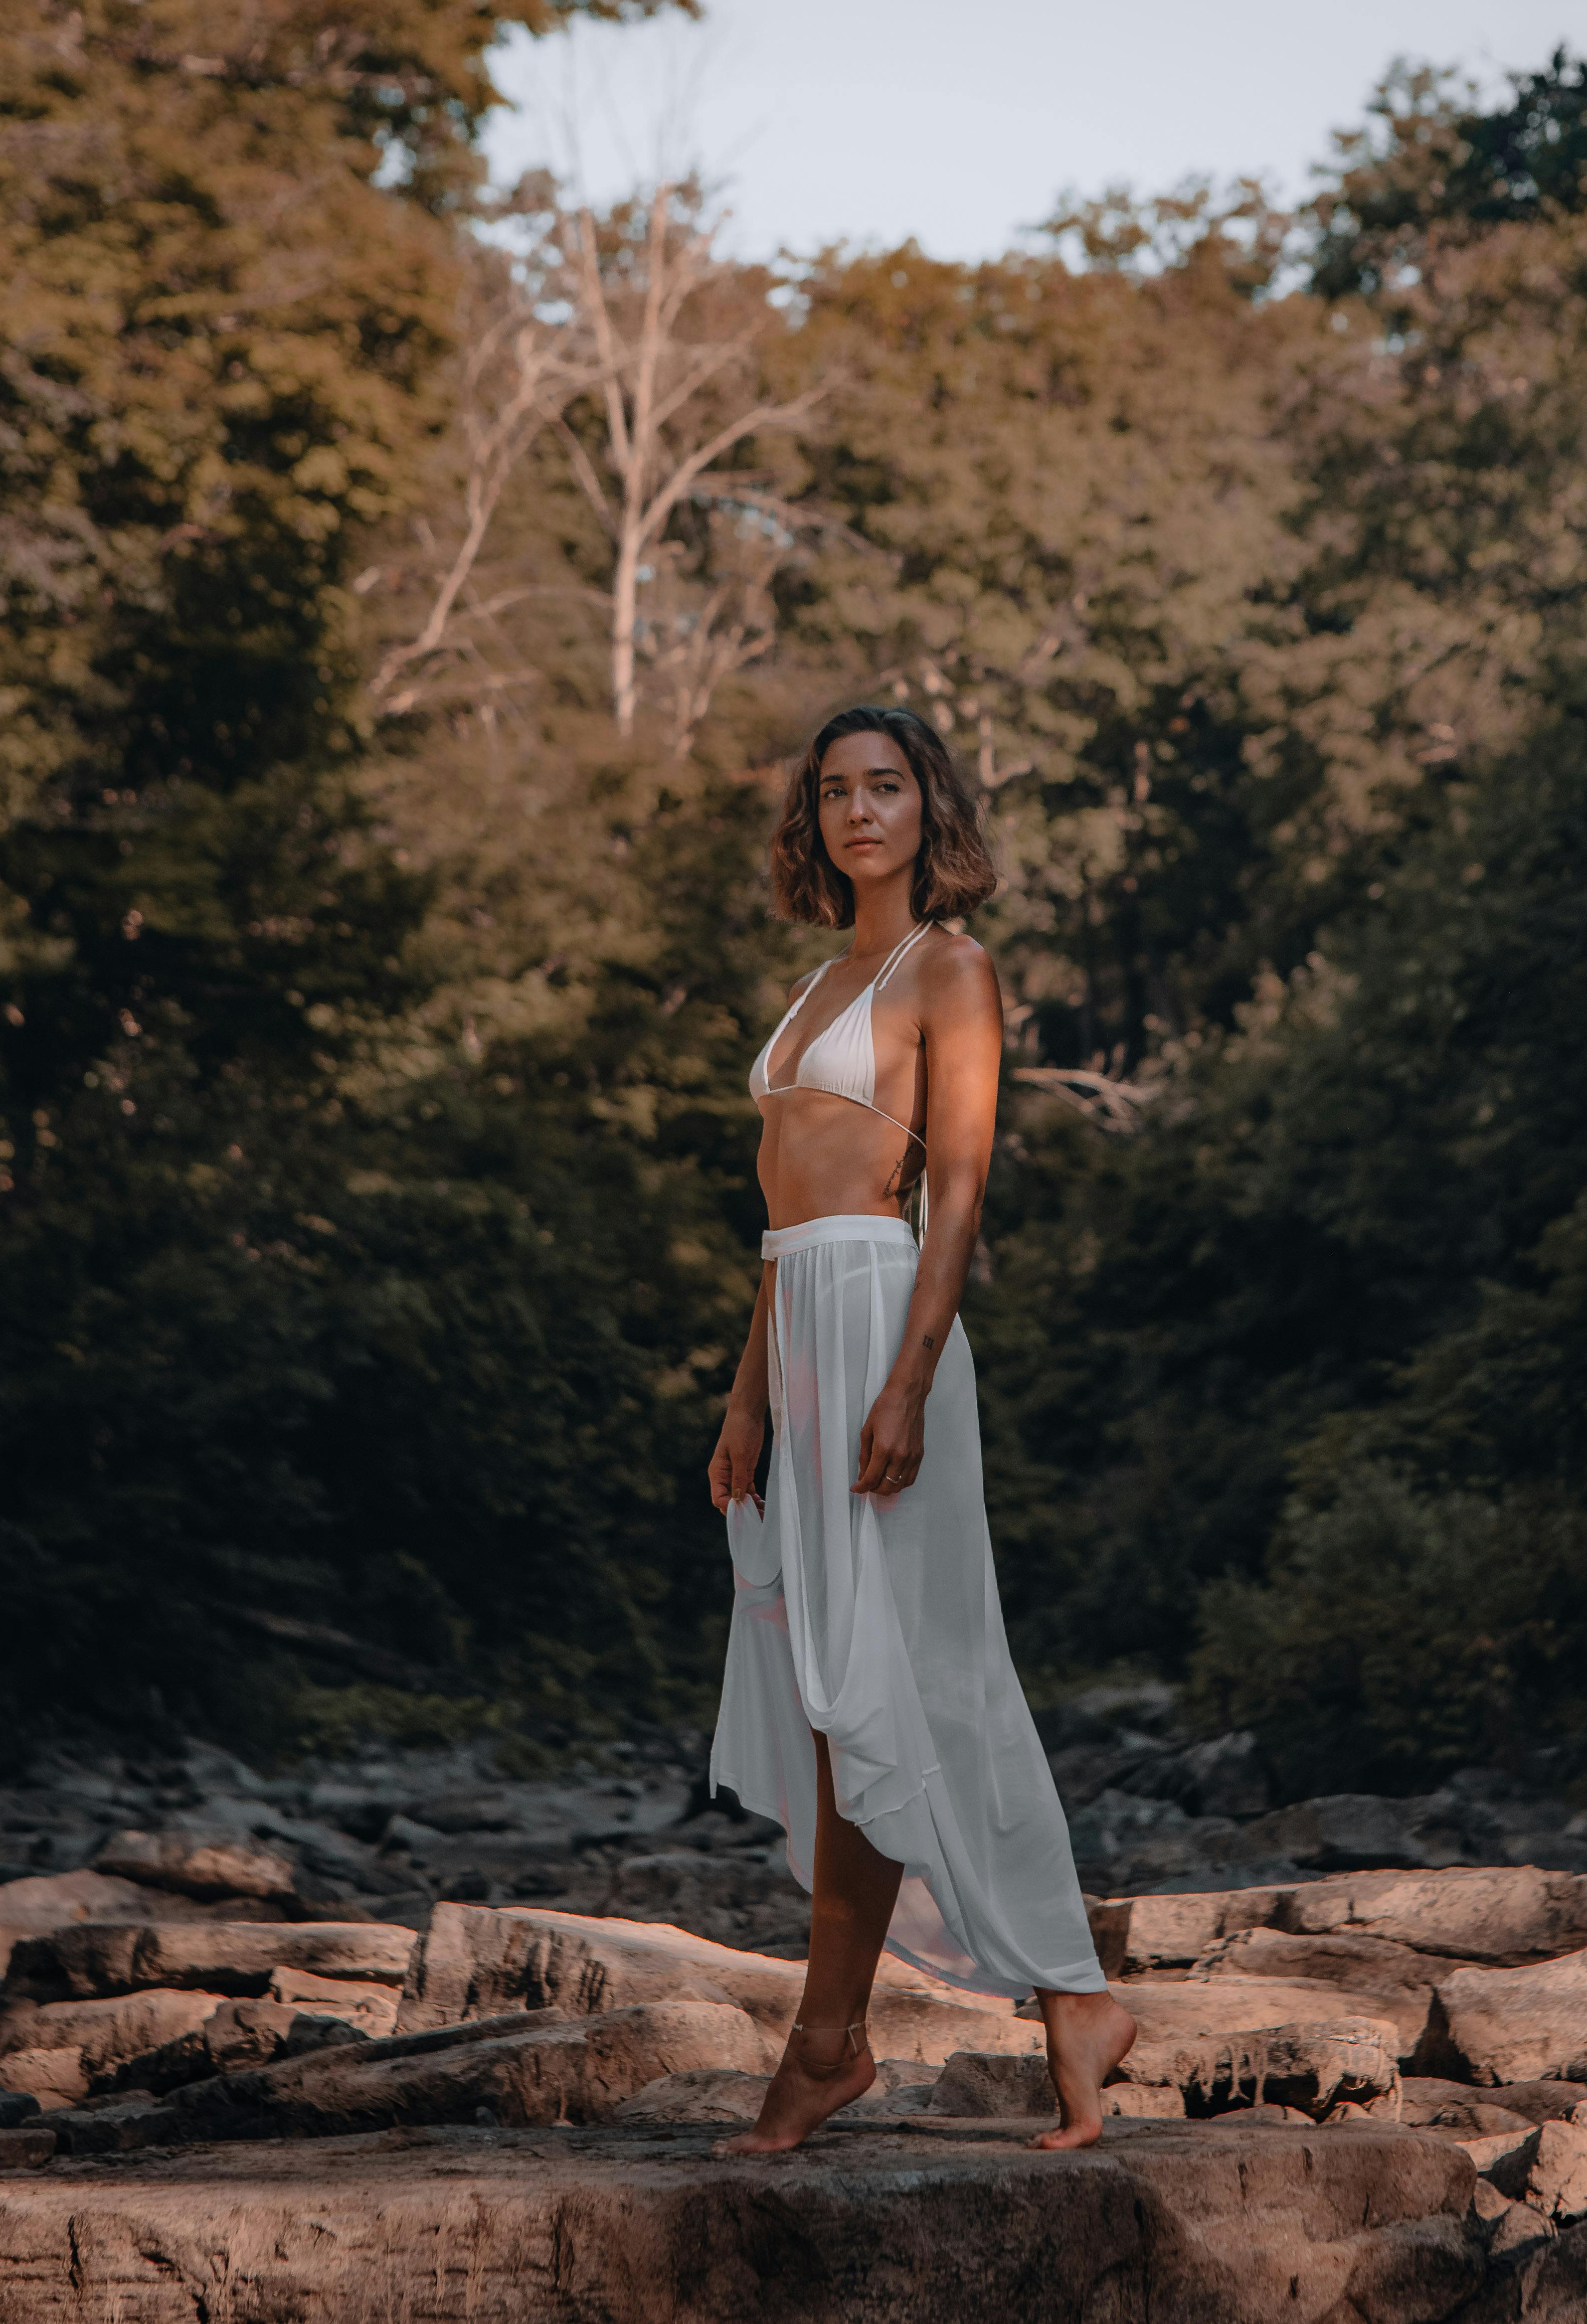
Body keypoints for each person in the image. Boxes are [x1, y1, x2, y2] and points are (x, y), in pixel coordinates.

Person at [705, 703, 1136, 2155]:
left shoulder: (944, 968)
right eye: (833, 790)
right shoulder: (818, 978)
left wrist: (907, 1371)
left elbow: (950, 1189)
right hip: (802, 1325)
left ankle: (1062, 1993)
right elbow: (782, 1222)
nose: (858, 811)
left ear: (926, 803)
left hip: (886, 1323)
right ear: (811, 819)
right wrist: (747, 1398)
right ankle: (831, 2043)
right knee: (842, 1705)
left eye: (883, 786)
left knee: (928, 1678)